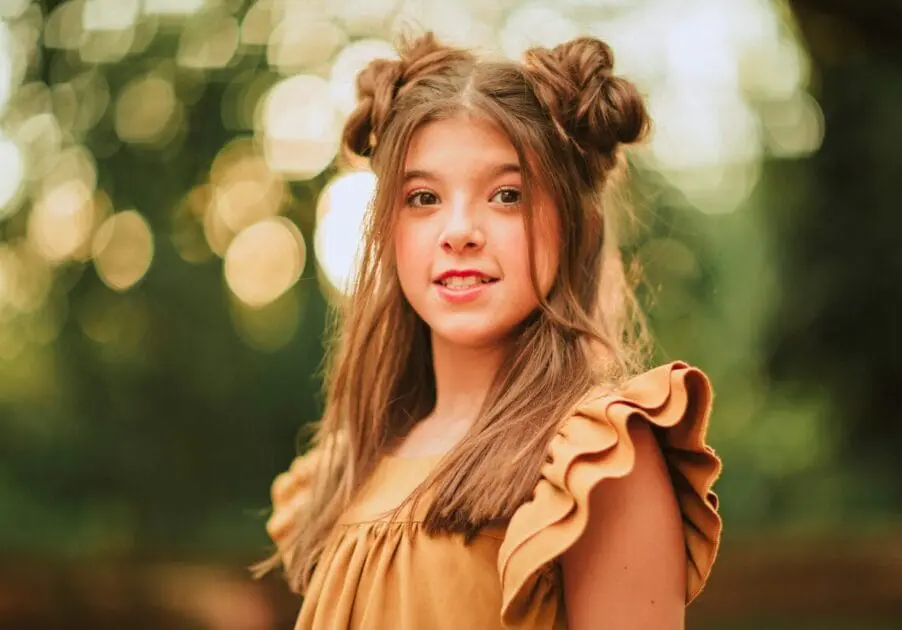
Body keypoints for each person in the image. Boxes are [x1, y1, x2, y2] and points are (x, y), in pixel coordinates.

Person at [252, 32, 722, 630]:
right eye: (422, 197)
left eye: (506, 195)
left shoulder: (596, 460)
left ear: (575, 222)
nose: (458, 231)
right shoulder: (353, 464)